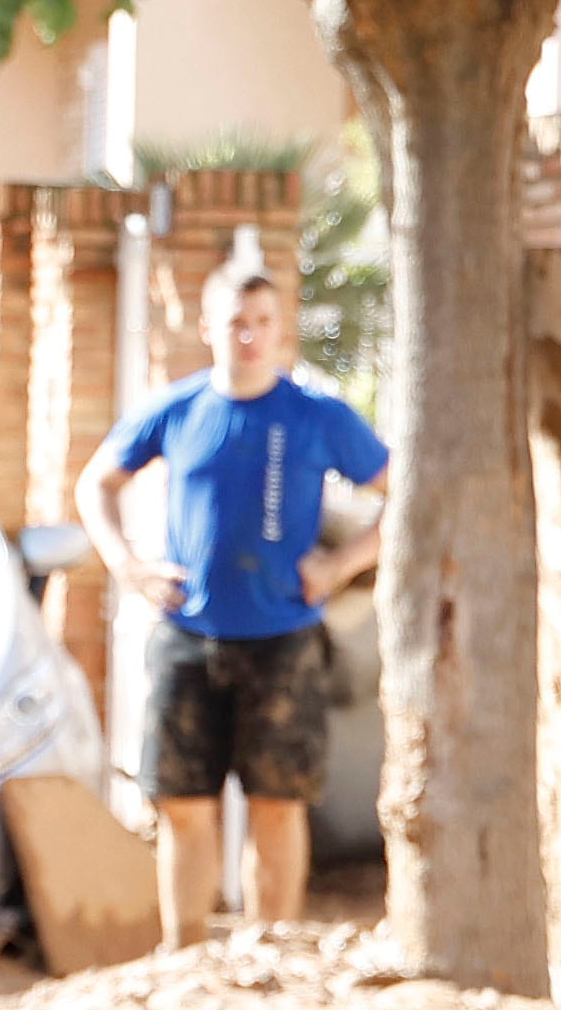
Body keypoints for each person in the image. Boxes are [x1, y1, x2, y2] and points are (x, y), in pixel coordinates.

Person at [68, 258, 388, 951]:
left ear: (281, 330)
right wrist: (128, 565)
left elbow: (405, 491)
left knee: (277, 807)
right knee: (182, 807)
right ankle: (184, 958)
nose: (251, 336)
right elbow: (97, 483)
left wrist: (339, 564)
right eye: (237, 323)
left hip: (284, 640)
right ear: (209, 326)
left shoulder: (316, 415)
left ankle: (266, 958)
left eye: (264, 323)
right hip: (188, 635)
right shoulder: (178, 408)